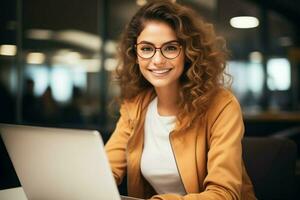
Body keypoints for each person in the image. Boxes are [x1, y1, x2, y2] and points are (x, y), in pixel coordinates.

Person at [105, 0, 256, 199]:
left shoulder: (222, 105)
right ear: (135, 53)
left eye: (170, 48)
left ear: (188, 52)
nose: (157, 60)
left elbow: (223, 194)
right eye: (147, 48)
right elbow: (105, 171)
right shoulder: (135, 106)